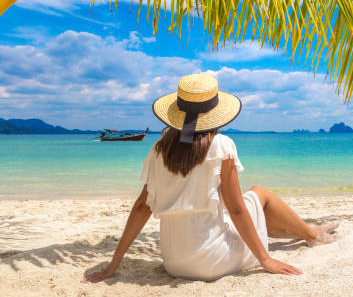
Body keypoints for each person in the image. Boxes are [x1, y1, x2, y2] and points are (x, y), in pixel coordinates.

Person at [83, 73, 338, 283]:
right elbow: (237, 209)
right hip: (213, 262)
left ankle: (309, 232)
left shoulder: (160, 149)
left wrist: (113, 264)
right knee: (259, 193)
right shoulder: (222, 145)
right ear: (215, 114)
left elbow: (142, 207)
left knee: (248, 213)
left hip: (174, 263)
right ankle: (312, 234)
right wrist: (265, 259)